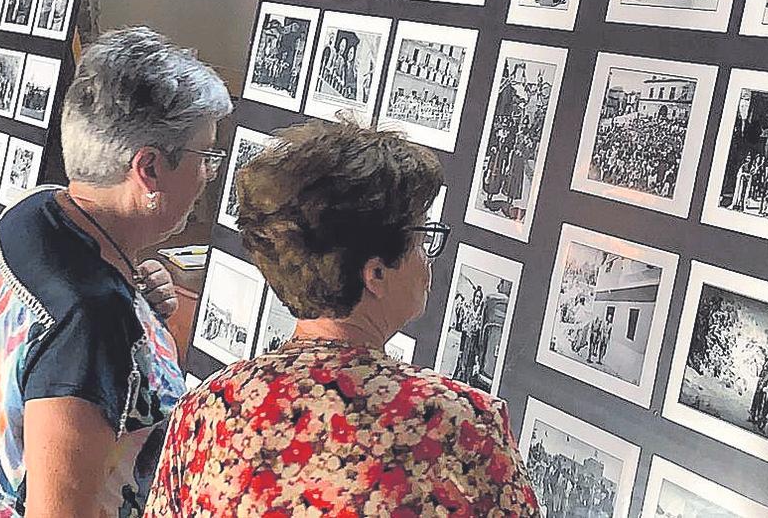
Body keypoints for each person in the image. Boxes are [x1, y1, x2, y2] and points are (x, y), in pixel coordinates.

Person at [144, 120, 539, 515]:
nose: (427, 259)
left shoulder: (207, 408)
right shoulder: (459, 424)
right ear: (376, 274)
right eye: (421, 240)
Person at [0, 28, 232, 518]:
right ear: (147, 168)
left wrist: (138, 301)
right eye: (204, 157)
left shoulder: (33, 210)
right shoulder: (92, 318)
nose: (208, 175)